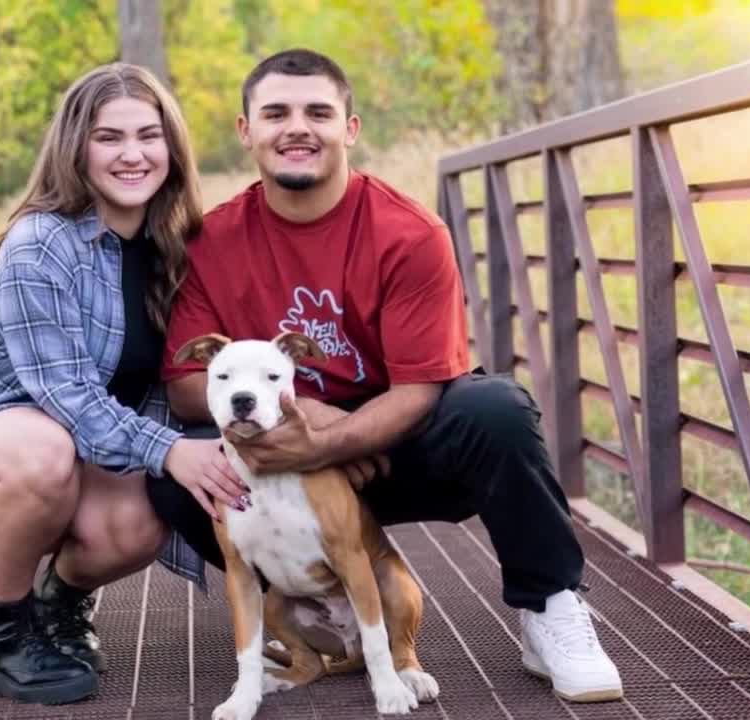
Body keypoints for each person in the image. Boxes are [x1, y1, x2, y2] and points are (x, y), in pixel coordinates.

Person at [147, 49, 625, 704]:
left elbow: (422, 387)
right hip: (282, 454)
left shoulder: (409, 233)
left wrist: (334, 442)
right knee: (177, 473)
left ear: (350, 128)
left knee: (497, 410)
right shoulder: (211, 242)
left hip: (396, 451)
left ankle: (550, 606)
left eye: (318, 113)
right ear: (245, 130)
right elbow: (183, 382)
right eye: (276, 113)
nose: (297, 127)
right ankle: (302, 597)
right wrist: (308, 420)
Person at [0, 62, 247, 706]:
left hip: (81, 450)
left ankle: (59, 608)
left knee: (142, 519)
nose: (132, 154)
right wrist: (169, 448)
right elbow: (66, 397)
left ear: (172, 147)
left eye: (149, 135)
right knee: (47, 450)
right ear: (76, 148)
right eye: (109, 138)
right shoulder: (41, 243)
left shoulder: (175, 245)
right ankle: (5, 638)